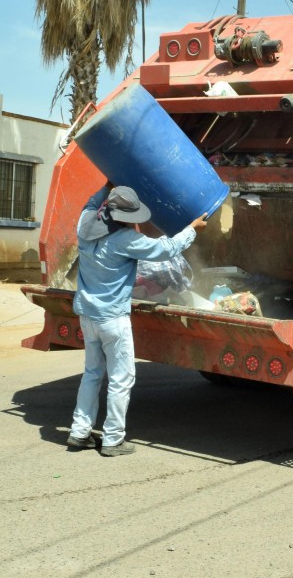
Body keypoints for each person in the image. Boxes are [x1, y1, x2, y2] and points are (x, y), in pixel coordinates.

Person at [66, 184, 207, 457]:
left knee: (92, 374)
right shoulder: (124, 241)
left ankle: (79, 432)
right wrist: (192, 229)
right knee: (121, 378)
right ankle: (113, 439)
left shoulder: (84, 225)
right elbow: (167, 250)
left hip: (87, 314)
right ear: (125, 218)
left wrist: (105, 187)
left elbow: (89, 203)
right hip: (113, 319)